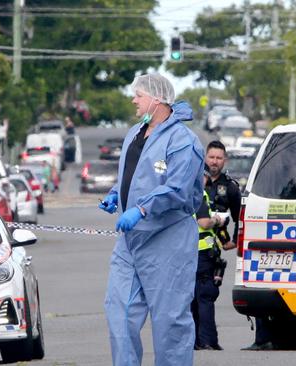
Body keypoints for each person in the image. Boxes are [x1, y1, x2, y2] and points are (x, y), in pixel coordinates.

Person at [99, 73, 204, 366]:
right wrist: (115, 195)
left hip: (168, 241)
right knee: (119, 316)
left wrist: (142, 209)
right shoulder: (135, 132)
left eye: (139, 95)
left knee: (169, 322)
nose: (133, 99)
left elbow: (179, 190)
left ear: (157, 100)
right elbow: (133, 176)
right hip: (130, 242)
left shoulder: (184, 141)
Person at [204, 141, 273, 350]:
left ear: (224, 161)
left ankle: (262, 338)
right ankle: (203, 340)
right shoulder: (196, 182)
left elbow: (240, 217)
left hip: (214, 249)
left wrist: (233, 240)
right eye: (211, 157)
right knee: (198, 296)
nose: (214, 162)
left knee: (251, 287)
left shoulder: (230, 188)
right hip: (192, 248)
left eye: (218, 158)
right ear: (205, 158)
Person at [192, 164, 227, 351]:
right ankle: (207, 341)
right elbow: (204, 222)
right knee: (205, 297)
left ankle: (196, 340)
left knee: (193, 298)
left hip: (188, 254)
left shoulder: (184, 194)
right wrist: (218, 220)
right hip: (202, 254)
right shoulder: (199, 195)